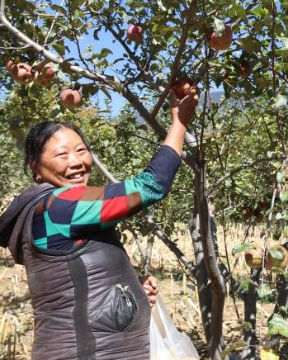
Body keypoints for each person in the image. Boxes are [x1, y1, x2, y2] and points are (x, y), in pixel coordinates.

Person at [0, 87, 199, 360]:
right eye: (61, 155)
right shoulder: (61, 206)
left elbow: (73, 284)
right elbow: (151, 186)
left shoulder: (48, 211)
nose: (77, 162)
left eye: (81, 150)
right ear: (35, 168)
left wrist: (129, 290)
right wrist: (179, 123)